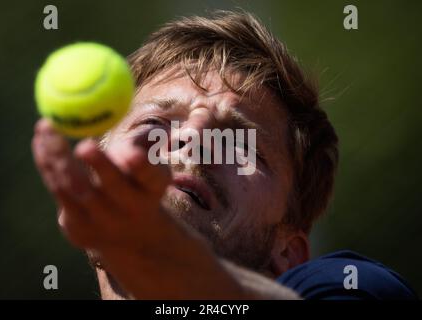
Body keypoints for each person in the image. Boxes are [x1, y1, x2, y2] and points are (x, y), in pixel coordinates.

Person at [31, 10, 417, 299]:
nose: (195, 137)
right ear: (88, 177)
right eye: (156, 122)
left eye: (239, 143)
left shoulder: (352, 286)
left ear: (286, 252)